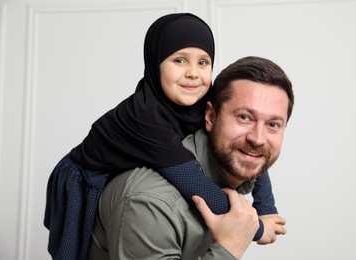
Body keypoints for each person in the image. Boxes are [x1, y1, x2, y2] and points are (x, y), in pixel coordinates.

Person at [44, 13, 277, 260]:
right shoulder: (145, 118)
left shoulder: (204, 101)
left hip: (136, 167)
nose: (193, 73)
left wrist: (266, 206)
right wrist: (256, 227)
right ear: (156, 64)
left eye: (203, 63)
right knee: (77, 253)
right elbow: (195, 186)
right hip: (87, 177)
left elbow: (250, 145)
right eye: (179, 60)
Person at [88, 56, 293, 259]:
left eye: (273, 125)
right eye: (244, 117)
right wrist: (229, 248)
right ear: (210, 117)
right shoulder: (151, 203)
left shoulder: (233, 162)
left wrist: (265, 207)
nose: (257, 139)